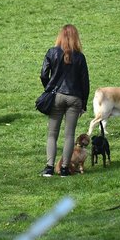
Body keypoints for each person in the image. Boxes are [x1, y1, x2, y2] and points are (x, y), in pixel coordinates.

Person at [40, 24, 90, 177]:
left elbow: (43, 74)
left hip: (56, 96)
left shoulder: (52, 52)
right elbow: (85, 82)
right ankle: (64, 169)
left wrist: (48, 88)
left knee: (52, 134)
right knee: (69, 135)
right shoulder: (80, 57)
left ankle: (49, 168)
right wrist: (84, 103)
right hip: (74, 98)